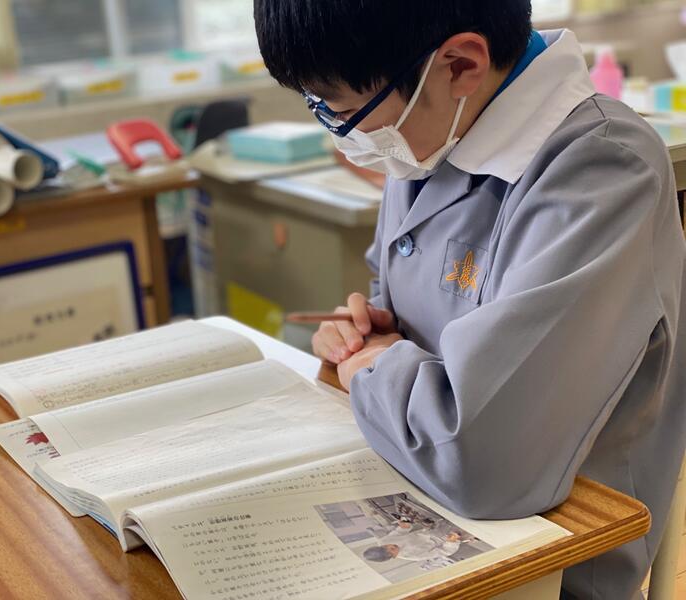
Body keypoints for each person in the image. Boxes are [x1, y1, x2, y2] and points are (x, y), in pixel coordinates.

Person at [253, 1, 686, 598]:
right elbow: (393, 311)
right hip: (418, 500)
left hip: (552, 564)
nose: (342, 132)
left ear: (459, 64)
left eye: (347, 112)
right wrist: (363, 336)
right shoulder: (435, 130)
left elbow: (481, 460)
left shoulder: (602, 170)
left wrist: (373, 366)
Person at [364, 530, 462, 565]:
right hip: (445, 537)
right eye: (392, 549)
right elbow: (444, 551)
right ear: (393, 557)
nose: (391, 545)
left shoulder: (383, 541)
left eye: (386, 546)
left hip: (429, 529)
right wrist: (451, 541)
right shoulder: (413, 556)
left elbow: (399, 532)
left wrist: (404, 526)